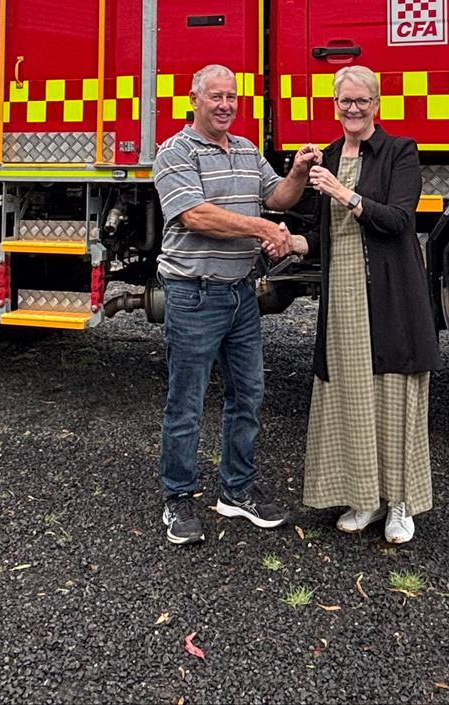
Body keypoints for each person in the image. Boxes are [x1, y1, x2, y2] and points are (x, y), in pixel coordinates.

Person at [152, 64, 318, 547]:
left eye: (232, 98)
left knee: (248, 395)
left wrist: (298, 173)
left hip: (241, 293)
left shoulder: (247, 149)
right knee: (186, 402)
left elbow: (279, 198)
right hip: (194, 293)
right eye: (216, 97)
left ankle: (236, 491)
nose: (225, 105)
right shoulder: (175, 151)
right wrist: (264, 230)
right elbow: (194, 215)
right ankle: (178, 499)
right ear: (194, 98)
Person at [296, 65, 441, 544]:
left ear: (376, 104)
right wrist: (285, 241)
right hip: (344, 300)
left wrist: (342, 191)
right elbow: (322, 238)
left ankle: (400, 504)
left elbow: (399, 220)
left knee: (393, 392)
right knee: (352, 396)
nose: (353, 109)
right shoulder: (330, 155)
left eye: (361, 101)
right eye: (345, 102)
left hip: (391, 294)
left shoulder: (401, 151)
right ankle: (365, 499)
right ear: (334, 106)